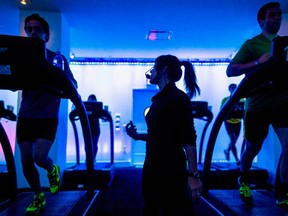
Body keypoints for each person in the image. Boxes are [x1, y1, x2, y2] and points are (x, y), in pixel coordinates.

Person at [226, 2, 288, 209]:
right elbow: (231, 70)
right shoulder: (252, 44)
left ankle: (282, 190)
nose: (277, 18)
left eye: (279, 15)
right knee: (253, 148)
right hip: (257, 106)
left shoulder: (284, 44)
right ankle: (243, 178)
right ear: (262, 20)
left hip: (281, 103)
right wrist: (257, 62)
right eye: (272, 15)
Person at [125, 54, 203, 215]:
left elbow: (188, 137)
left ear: (164, 69)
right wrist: (138, 136)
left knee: (173, 210)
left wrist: (193, 174)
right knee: (151, 208)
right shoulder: (159, 100)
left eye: (154, 66)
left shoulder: (178, 98)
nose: (151, 71)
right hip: (152, 164)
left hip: (170, 167)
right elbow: (159, 134)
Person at [16, 13, 77, 215]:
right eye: (29, 29)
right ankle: (38, 195)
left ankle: (52, 169)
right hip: (26, 115)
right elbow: (12, 83)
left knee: (39, 158)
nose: (33, 32)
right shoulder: (21, 60)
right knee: (25, 160)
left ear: (46, 35)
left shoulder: (56, 59)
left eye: (37, 29)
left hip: (47, 116)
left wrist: (58, 79)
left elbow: (73, 86)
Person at [221, 83, 244, 166]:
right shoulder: (225, 99)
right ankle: (237, 159)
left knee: (233, 141)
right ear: (229, 89)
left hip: (238, 122)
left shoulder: (242, 99)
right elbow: (222, 111)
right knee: (233, 139)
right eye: (232, 87)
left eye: (235, 87)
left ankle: (227, 151)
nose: (234, 88)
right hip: (228, 122)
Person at [87, 94, 101, 163]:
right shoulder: (85, 108)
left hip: (95, 129)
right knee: (87, 144)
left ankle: (93, 158)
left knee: (94, 144)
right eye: (89, 100)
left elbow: (101, 115)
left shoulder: (97, 108)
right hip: (87, 129)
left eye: (92, 100)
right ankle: (88, 158)